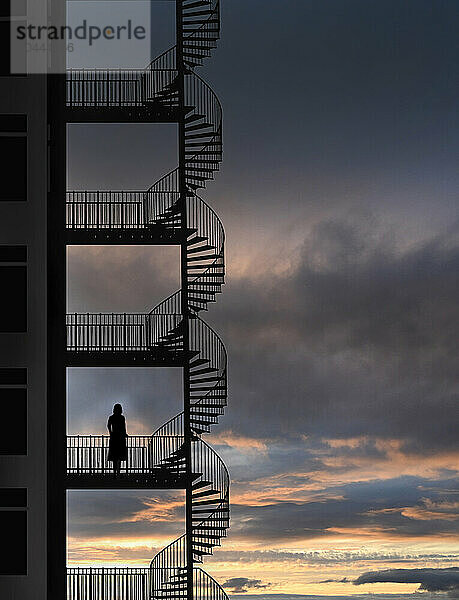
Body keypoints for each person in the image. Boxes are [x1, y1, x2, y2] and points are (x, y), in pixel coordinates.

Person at [107, 403, 128, 477]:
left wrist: (111, 433)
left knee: (115, 457)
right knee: (119, 457)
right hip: (120, 438)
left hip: (114, 438)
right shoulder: (122, 418)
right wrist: (124, 434)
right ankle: (117, 473)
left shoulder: (112, 417)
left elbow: (108, 425)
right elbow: (123, 427)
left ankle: (115, 473)